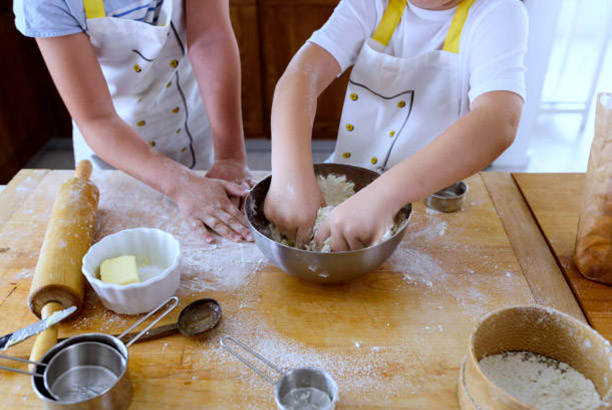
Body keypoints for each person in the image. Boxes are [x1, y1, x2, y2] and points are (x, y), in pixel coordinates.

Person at [264, 0, 528, 251]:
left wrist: (383, 196)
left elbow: (499, 120)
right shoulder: (373, 4)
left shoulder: (498, 12)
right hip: (349, 185)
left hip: (430, 206)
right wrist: (290, 177)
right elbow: (303, 73)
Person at [13, 0, 253, 243]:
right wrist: (180, 184)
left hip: (193, 123)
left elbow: (210, 39)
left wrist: (230, 157)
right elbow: (96, 118)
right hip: (115, 149)